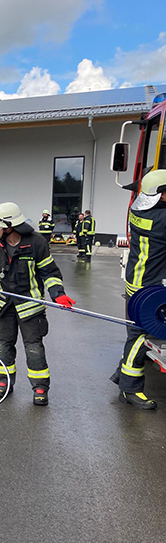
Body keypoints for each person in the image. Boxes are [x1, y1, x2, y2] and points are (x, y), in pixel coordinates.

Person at [0, 201, 74, 406]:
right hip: (2, 305)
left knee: (34, 348)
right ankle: (5, 382)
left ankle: (40, 387)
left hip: (30, 307)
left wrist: (58, 294)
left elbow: (49, 272)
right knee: (2, 346)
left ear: (9, 226)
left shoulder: (36, 243)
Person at [110, 170, 166, 409]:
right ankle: (130, 390)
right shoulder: (162, 220)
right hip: (149, 286)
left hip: (138, 281)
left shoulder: (139, 210)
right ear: (160, 194)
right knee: (140, 335)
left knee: (137, 330)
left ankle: (121, 375)